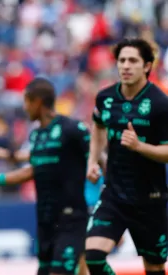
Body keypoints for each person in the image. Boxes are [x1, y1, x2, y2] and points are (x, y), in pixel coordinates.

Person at [0, 78, 102, 275]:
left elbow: (97, 155)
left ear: (37, 102)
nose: (25, 107)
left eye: (27, 101)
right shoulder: (37, 135)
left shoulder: (72, 129)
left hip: (71, 218)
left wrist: (96, 169)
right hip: (45, 219)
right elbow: (33, 168)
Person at [86, 38, 168, 275]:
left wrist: (140, 147)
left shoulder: (160, 103)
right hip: (114, 194)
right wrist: (94, 160)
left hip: (150, 199)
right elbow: (98, 126)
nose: (125, 66)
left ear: (147, 66)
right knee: (93, 257)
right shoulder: (105, 98)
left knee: (154, 268)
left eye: (133, 60)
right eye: (122, 60)